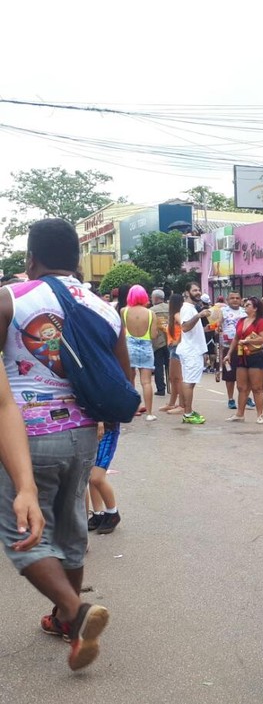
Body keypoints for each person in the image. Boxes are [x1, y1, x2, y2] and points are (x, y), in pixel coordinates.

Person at [0, 218, 117, 670]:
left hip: (27, 435)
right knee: (71, 526)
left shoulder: (12, 297)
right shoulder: (103, 307)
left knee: (22, 533)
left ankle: (74, 610)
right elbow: (117, 378)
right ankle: (67, 620)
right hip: (85, 432)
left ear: (31, 258)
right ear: (79, 260)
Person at [224, 297, 263, 424]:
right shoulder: (241, 320)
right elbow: (235, 338)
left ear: (255, 308)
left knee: (257, 387)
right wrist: (228, 354)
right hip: (241, 355)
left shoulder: (260, 322)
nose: (245, 306)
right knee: (241, 387)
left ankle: (260, 415)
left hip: (255, 355)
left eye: (248, 305)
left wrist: (249, 341)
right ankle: (240, 414)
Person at [121, 285, 160, 422]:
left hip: (129, 347)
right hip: (146, 348)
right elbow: (154, 335)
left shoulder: (123, 311)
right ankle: (149, 413)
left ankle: (131, 411)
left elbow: (121, 331)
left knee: (130, 380)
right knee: (146, 382)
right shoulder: (151, 314)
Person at [176, 282, 211, 425]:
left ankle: (188, 411)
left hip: (193, 349)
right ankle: (188, 413)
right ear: (187, 292)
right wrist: (199, 316)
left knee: (190, 382)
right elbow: (184, 327)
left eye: (198, 290)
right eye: (194, 290)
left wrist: (206, 329)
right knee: (189, 383)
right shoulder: (187, 308)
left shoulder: (192, 308)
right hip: (191, 351)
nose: (198, 292)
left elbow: (193, 330)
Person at [87, 422, 121, 534]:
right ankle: (98, 514)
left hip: (108, 429)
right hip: (89, 428)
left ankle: (113, 512)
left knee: (96, 477)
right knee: (91, 475)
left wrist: (101, 421)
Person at [218, 292, 248, 410]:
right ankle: (230, 399)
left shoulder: (244, 311)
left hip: (243, 347)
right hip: (228, 347)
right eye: (232, 298)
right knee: (229, 375)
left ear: (241, 300)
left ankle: (245, 395)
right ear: (227, 300)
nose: (235, 300)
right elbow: (219, 326)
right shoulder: (223, 311)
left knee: (244, 374)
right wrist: (218, 329)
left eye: (237, 298)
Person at [160, 293, 186, 415]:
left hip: (176, 348)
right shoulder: (174, 316)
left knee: (178, 378)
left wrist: (177, 341)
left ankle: (182, 405)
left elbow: (184, 327)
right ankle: (172, 403)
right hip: (173, 347)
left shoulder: (177, 315)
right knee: (173, 377)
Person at [150, 289, 169, 396]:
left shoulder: (151, 310)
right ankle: (172, 388)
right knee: (170, 365)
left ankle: (161, 389)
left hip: (157, 341)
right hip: (171, 340)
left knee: (158, 366)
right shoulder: (170, 308)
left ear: (155, 298)